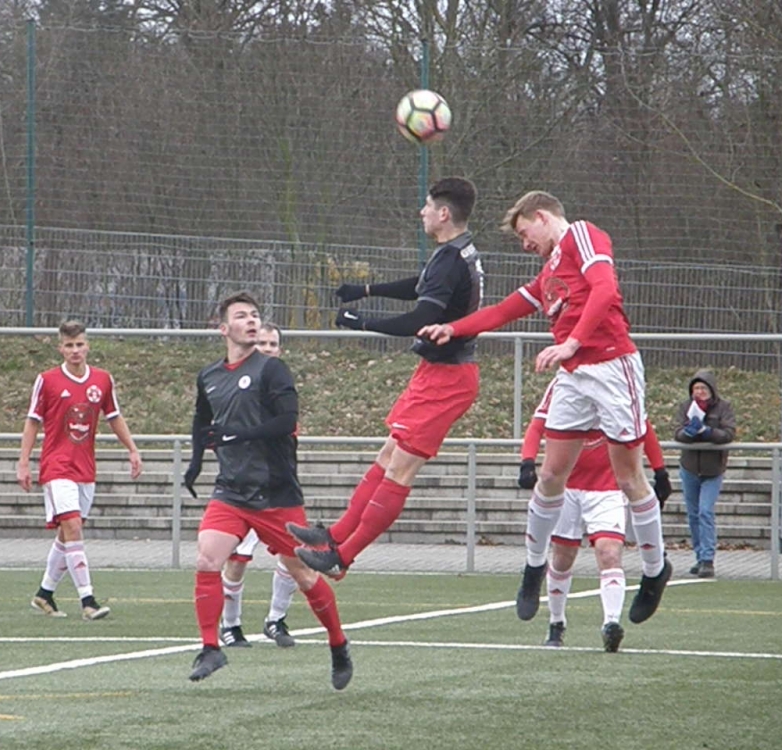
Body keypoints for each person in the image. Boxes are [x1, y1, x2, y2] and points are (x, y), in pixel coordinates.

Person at [419, 190, 672, 626]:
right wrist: (453, 328)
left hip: (612, 366)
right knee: (551, 474)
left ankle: (654, 570)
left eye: (524, 233)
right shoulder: (549, 272)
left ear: (541, 216)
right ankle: (533, 567)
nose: (525, 244)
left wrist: (571, 342)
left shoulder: (582, 236)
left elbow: (605, 289)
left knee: (629, 477)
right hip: (575, 375)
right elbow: (503, 311)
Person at [287, 177, 484, 579]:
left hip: (448, 379)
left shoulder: (451, 259)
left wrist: (362, 323)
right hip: (437, 372)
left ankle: (342, 557)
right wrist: (365, 289)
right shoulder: (454, 252)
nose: (422, 212)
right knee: (388, 456)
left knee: (400, 470)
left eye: (427, 206)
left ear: (444, 213)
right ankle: (335, 536)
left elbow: (420, 319)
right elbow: (420, 286)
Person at [181, 292, 352, 689]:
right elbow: (202, 421)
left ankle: (338, 644)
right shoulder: (210, 376)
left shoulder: (272, 370)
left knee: (304, 575)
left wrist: (237, 434)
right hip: (231, 491)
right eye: (241, 316)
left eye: (255, 315)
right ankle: (211, 647)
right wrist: (195, 462)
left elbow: (286, 421)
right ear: (223, 329)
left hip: (275, 493)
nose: (251, 321)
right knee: (208, 558)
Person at [519, 380, 672, 651]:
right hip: (567, 487)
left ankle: (611, 623)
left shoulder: (617, 381)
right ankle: (556, 622)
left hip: (606, 488)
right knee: (562, 557)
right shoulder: (564, 383)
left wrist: (660, 471)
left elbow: (643, 428)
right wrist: (527, 462)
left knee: (609, 552)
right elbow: (537, 426)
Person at [17, 320, 143, 620]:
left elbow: (114, 416)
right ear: (60, 348)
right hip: (56, 466)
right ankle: (88, 601)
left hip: (85, 468)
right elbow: (32, 421)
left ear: (88, 346)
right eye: (69, 345)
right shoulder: (47, 380)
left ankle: (44, 594)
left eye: (80, 344)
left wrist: (132, 449)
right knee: (73, 526)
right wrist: (23, 462)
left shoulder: (102, 380)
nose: (75, 350)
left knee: (67, 534)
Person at [217, 322, 300, 649]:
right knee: (236, 560)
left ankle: (276, 619)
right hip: (242, 492)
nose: (266, 349)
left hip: (278, 491)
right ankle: (230, 625)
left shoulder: (282, 388)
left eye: (272, 344)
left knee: (294, 557)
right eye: (261, 343)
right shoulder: (234, 387)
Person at [674, 369, 736, 578]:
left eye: (703, 388)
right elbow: (677, 432)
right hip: (690, 468)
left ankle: (708, 559)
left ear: (711, 389)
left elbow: (728, 433)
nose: (699, 392)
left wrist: (707, 432)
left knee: (705, 511)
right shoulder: (686, 407)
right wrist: (688, 433)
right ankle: (700, 556)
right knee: (693, 515)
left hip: (713, 469)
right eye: (696, 388)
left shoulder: (723, 407)